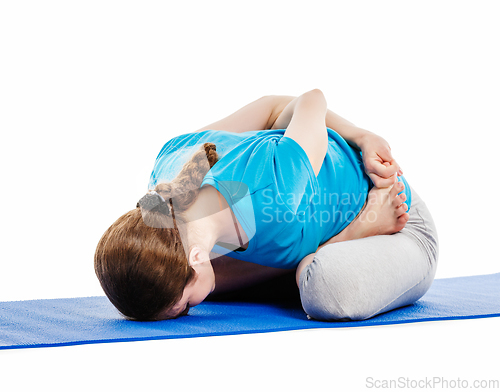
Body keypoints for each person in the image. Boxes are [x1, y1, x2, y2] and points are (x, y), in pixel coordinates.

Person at [94, 89, 438, 321]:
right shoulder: (167, 177)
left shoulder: (277, 193)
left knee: (326, 288)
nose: (188, 312)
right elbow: (272, 111)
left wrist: (362, 137)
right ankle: (313, 256)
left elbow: (311, 101)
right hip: (290, 227)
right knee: (203, 287)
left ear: (196, 258)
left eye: (183, 308)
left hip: (392, 215)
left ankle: (348, 236)